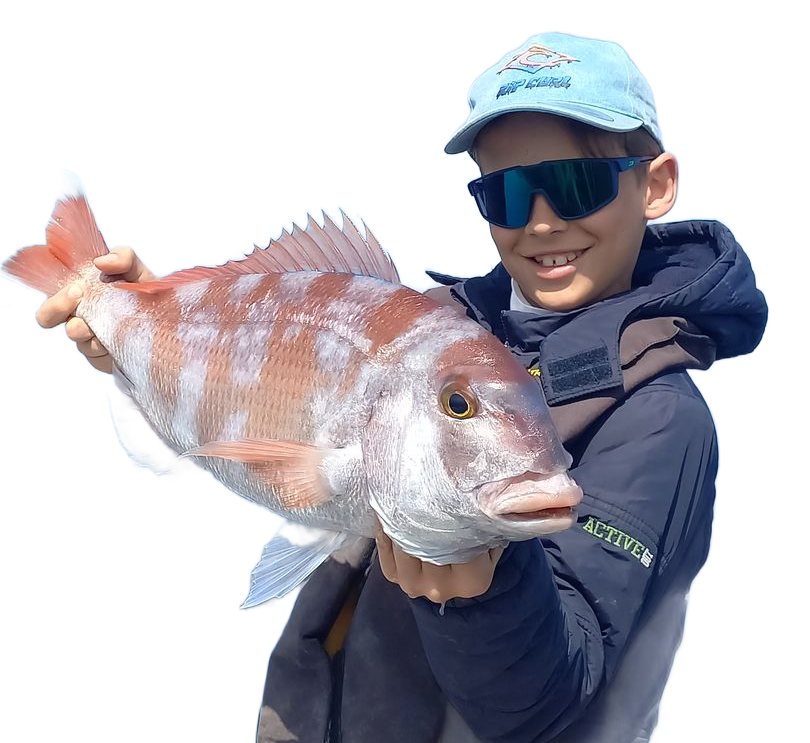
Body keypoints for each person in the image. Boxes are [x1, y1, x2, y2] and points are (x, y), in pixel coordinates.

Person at [36, 29, 768, 743]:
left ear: (658, 184)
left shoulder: (664, 420)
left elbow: (550, 707)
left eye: (575, 184)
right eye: (507, 196)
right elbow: (233, 422)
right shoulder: (440, 322)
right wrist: (146, 333)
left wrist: (484, 592)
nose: (542, 221)